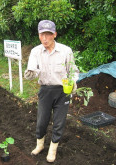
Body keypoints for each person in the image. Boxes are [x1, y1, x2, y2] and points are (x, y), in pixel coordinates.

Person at [24, 20, 79, 163]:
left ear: (54, 34)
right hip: (45, 91)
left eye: (48, 34)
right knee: (42, 121)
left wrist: (73, 83)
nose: (45, 38)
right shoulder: (36, 51)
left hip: (62, 91)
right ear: (38, 35)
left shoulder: (66, 51)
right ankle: (40, 145)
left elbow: (73, 71)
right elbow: (33, 70)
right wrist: (30, 74)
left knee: (59, 122)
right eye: (42, 34)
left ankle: (52, 149)